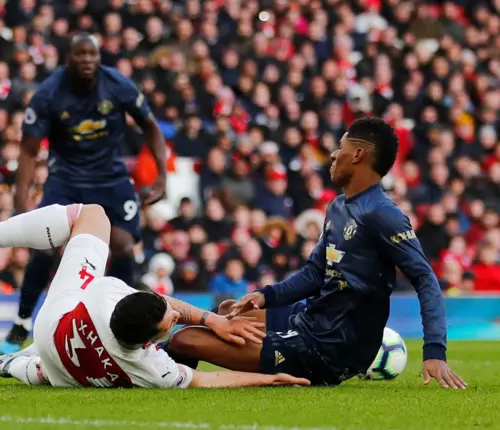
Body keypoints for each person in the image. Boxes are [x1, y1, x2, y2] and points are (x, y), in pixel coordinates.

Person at [167, 118, 468, 389]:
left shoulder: (383, 214)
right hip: (312, 318)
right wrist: (264, 296)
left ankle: (160, 375)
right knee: (231, 310)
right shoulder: (338, 207)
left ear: (359, 155)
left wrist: (434, 351)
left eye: (341, 147)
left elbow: (425, 279)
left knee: (184, 340)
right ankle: (172, 377)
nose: (334, 155)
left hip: (332, 347)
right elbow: (315, 273)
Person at [0, 196, 310, 389]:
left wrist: (211, 320)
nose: (175, 316)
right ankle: (19, 366)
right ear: (149, 342)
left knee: (91, 215)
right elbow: (208, 381)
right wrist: (271, 378)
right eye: (169, 321)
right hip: (59, 361)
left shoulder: (103, 294)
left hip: (60, 315)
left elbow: (163, 307)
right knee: (50, 371)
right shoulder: (151, 369)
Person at [1, 32, 168, 354]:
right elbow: (29, 149)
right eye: (80, 54)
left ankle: (122, 326)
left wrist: (162, 176)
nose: (87, 60)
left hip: (111, 178)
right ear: (68, 59)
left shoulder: (117, 84)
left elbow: (150, 127)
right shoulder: (49, 93)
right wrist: (21, 195)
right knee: (48, 246)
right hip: (67, 178)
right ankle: (22, 321)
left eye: (92, 54)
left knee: (122, 245)